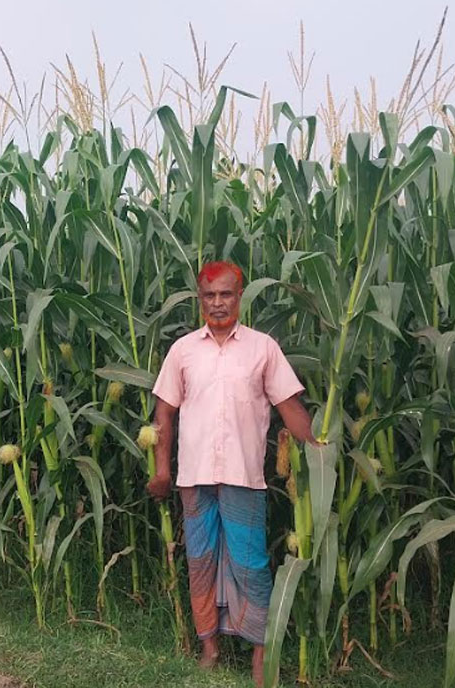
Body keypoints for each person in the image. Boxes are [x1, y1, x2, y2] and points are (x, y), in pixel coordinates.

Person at [146, 260, 319, 687]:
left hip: (243, 476)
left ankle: (260, 654)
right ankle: (209, 648)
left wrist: (319, 451)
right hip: (194, 477)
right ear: (200, 299)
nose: (218, 303)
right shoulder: (183, 350)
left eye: (226, 294)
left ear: (240, 296)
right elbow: (164, 413)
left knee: (250, 565)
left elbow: (290, 408)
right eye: (209, 296)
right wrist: (161, 470)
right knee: (201, 561)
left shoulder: (263, 348)